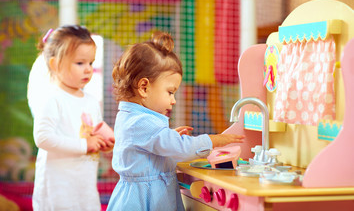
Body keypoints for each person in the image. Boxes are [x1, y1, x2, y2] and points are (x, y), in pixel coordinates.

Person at [107, 31, 245, 211]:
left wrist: (168, 137)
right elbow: (179, 148)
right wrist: (213, 140)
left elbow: (153, 146)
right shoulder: (140, 121)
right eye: (170, 92)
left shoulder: (134, 116)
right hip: (143, 199)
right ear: (144, 87)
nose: (174, 100)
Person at [32, 25, 115, 211]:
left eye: (91, 63)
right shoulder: (52, 98)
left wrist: (104, 141)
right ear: (55, 64)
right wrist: (85, 145)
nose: (88, 70)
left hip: (84, 188)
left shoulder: (91, 101)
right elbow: (43, 138)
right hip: (57, 189)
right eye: (80, 63)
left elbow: (91, 132)